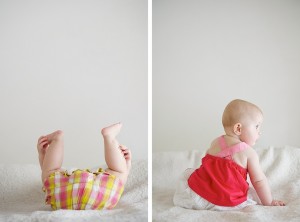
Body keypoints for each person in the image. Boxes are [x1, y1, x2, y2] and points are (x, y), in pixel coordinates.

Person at [173, 99, 285, 211]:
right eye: (256, 126)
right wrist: (269, 202)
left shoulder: (215, 142)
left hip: (198, 194)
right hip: (226, 200)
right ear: (238, 128)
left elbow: (208, 168)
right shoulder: (249, 153)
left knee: (191, 173)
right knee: (252, 194)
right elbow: (259, 181)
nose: (259, 131)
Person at [37, 122, 131, 210]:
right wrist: (126, 164)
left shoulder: (60, 184)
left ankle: (57, 139)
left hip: (62, 199)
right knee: (119, 172)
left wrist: (42, 154)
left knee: (50, 171)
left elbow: (46, 174)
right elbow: (123, 175)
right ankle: (109, 136)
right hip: (101, 196)